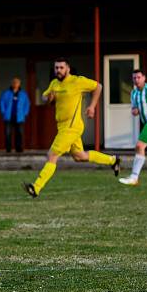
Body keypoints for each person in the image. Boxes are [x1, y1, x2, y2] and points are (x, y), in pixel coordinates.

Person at [24, 58, 120, 198]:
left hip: (72, 126)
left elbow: (98, 86)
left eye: (61, 67)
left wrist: (92, 106)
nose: (58, 70)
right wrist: (48, 98)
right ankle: (113, 160)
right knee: (80, 156)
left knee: (52, 155)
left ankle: (36, 187)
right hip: (62, 126)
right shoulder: (54, 83)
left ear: (67, 68)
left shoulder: (77, 81)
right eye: (56, 68)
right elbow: (46, 98)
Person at [0, 78, 30, 153]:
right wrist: (3, 111)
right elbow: (2, 102)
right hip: (9, 116)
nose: (15, 84)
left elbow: (27, 104)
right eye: (14, 82)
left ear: (19, 84)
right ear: (12, 84)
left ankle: (18, 148)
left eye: (17, 82)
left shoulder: (23, 94)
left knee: (19, 133)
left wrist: (25, 113)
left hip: (19, 117)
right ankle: (8, 149)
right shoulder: (6, 93)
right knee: (8, 133)